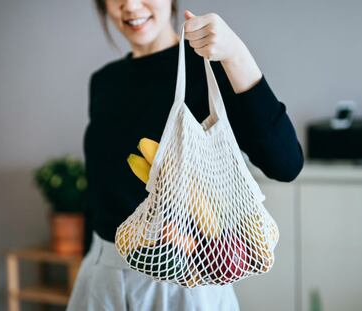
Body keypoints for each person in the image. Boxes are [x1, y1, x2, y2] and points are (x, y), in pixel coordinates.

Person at [67, 0, 304, 310]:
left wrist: (236, 54)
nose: (131, 5)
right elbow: (100, 192)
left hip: (182, 280)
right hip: (101, 276)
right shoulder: (104, 81)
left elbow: (285, 163)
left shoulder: (209, 66)